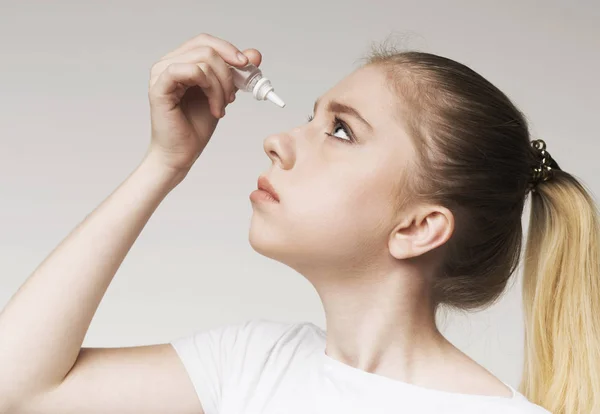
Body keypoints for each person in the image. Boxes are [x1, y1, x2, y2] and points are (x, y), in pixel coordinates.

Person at [0, 32, 597, 414]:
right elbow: (18, 387)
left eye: (341, 130)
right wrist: (164, 163)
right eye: (312, 117)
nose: (277, 142)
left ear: (418, 227)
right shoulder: (253, 363)